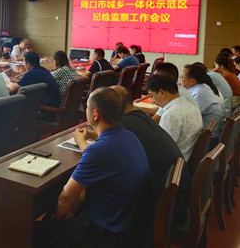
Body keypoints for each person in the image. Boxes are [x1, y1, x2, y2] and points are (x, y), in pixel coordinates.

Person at [50, 88, 150, 248]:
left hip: (104, 233)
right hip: (128, 224)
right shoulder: (130, 136)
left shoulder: (98, 151)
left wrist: (56, 221)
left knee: (44, 228)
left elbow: (66, 197)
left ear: (95, 114)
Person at [110, 85, 190, 224]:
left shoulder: (124, 125)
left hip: (163, 206)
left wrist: (81, 141)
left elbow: (103, 152)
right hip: (178, 196)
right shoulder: (141, 117)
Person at [146, 74, 202, 160]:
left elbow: (162, 150)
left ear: (161, 92)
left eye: (151, 96)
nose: (152, 102)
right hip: (183, 157)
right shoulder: (190, 106)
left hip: (173, 163)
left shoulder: (171, 115)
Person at [181, 65, 225, 136]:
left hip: (208, 138)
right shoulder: (202, 87)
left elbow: (187, 116)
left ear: (192, 81)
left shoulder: (200, 93)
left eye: (182, 77)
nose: (180, 81)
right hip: (207, 134)